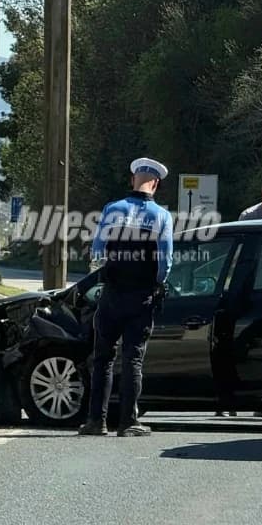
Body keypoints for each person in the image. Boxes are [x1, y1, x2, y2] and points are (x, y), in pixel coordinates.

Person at [80, 157, 174, 437]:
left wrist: (104, 278)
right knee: (133, 358)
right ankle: (128, 422)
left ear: (133, 180)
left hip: (112, 295)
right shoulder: (161, 216)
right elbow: (165, 261)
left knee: (103, 358)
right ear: (155, 184)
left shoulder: (112, 209)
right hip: (141, 296)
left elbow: (97, 252)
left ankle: (96, 421)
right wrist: (158, 284)